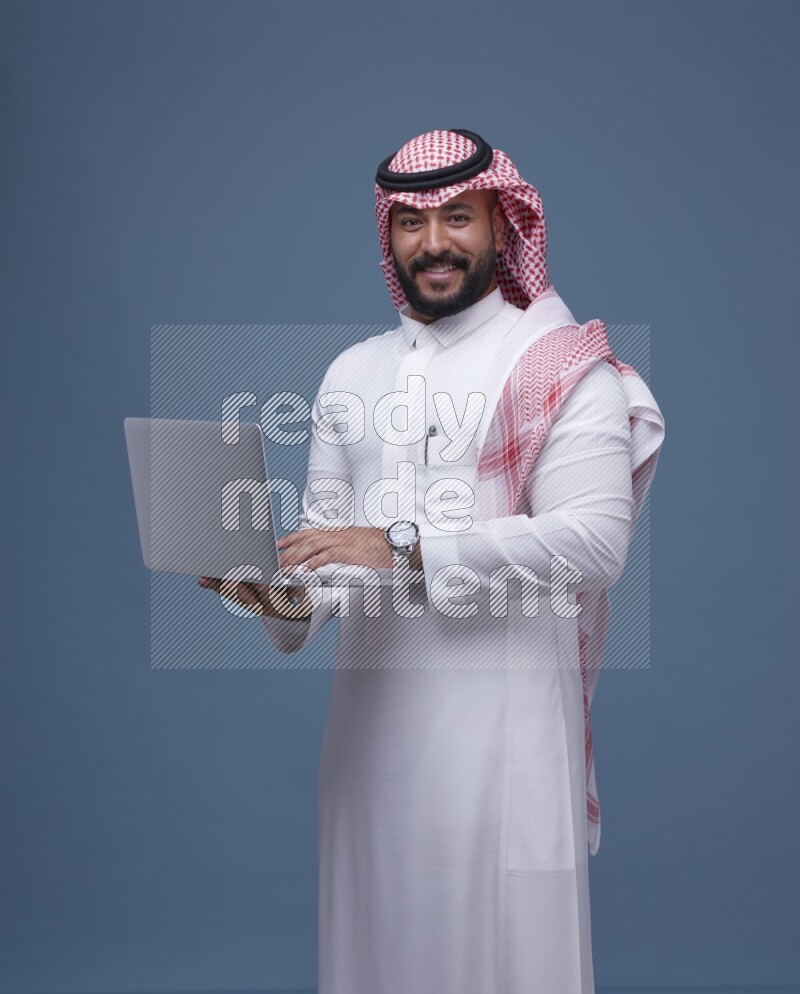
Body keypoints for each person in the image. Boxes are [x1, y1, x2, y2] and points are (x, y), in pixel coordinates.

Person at [200, 128, 665, 994]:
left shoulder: (560, 368)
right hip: (370, 741)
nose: (435, 242)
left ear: (502, 223)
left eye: (458, 216)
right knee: (374, 960)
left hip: (506, 736)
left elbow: (594, 544)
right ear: (388, 235)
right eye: (411, 223)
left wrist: (405, 544)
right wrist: (278, 601)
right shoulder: (354, 373)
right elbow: (331, 558)